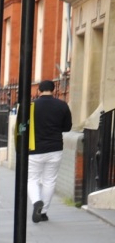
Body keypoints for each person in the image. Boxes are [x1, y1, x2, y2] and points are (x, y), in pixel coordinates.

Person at [27, 79, 72, 223]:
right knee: (49, 181)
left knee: (33, 179)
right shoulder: (62, 105)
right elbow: (67, 127)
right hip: (55, 148)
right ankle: (44, 212)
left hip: (35, 149)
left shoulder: (32, 106)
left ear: (39, 90)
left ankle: (36, 202)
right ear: (53, 90)